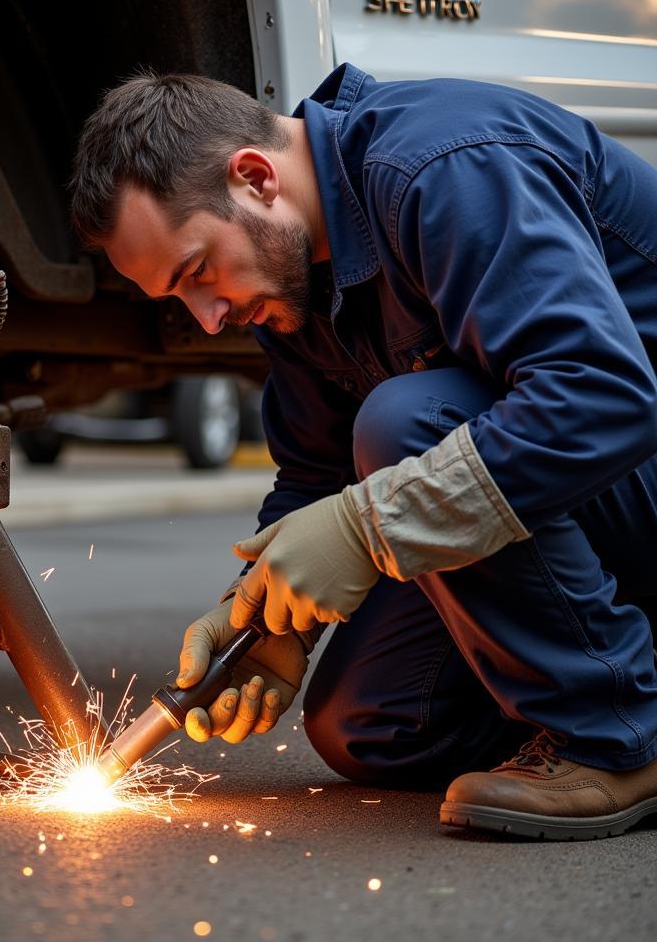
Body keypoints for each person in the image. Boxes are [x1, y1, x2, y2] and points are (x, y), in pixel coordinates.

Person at [69, 63, 657, 840]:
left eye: (197, 273)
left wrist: (364, 528)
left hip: (629, 451)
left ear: (253, 177)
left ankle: (621, 737)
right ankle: (586, 690)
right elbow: (316, 473)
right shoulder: (291, 281)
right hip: (589, 502)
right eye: (178, 299)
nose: (208, 318)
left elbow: (603, 393)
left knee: (404, 422)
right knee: (373, 722)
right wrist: (265, 614)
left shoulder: (444, 167)